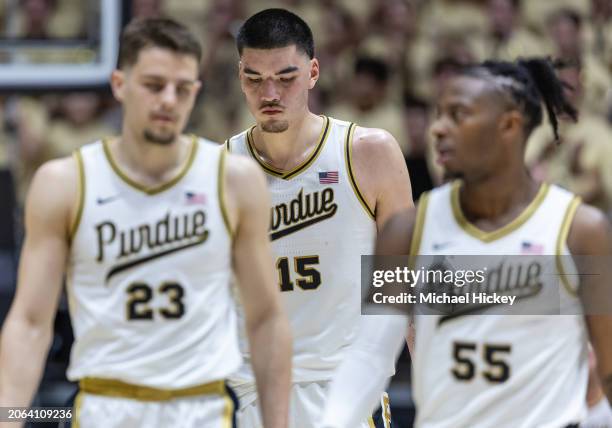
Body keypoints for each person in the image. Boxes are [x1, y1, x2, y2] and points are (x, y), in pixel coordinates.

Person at [0, 17, 291, 428]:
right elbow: (30, 321)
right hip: (105, 402)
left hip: (205, 405)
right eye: (154, 85)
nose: (169, 100)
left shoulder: (235, 180)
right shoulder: (65, 182)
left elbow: (266, 318)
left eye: (182, 88)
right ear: (119, 85)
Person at [320, 57, 612, 427]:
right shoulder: (405, 232)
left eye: (458, 115)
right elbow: (369, 355)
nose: (438, 129)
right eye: (439, 114)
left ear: (509, 125)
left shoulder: (580, 231)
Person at [224, 8, 413, 428]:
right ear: (240, 76)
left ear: (312, 72)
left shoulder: (368, 152)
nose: (269, 93)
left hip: (343, 392)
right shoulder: (218, 171)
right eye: (254, 78)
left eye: (285, 78)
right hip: (247, 395)